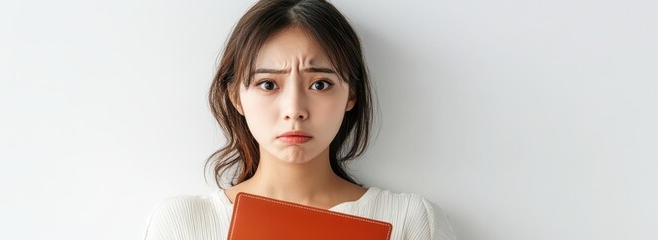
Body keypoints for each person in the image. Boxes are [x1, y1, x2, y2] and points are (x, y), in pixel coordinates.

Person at [143, 0, 456, 239]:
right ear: (235, 96)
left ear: (351, 95)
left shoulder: (410, 220)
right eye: (268, 84)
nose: (294, 109)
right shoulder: (183, 223)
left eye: (320, 84)